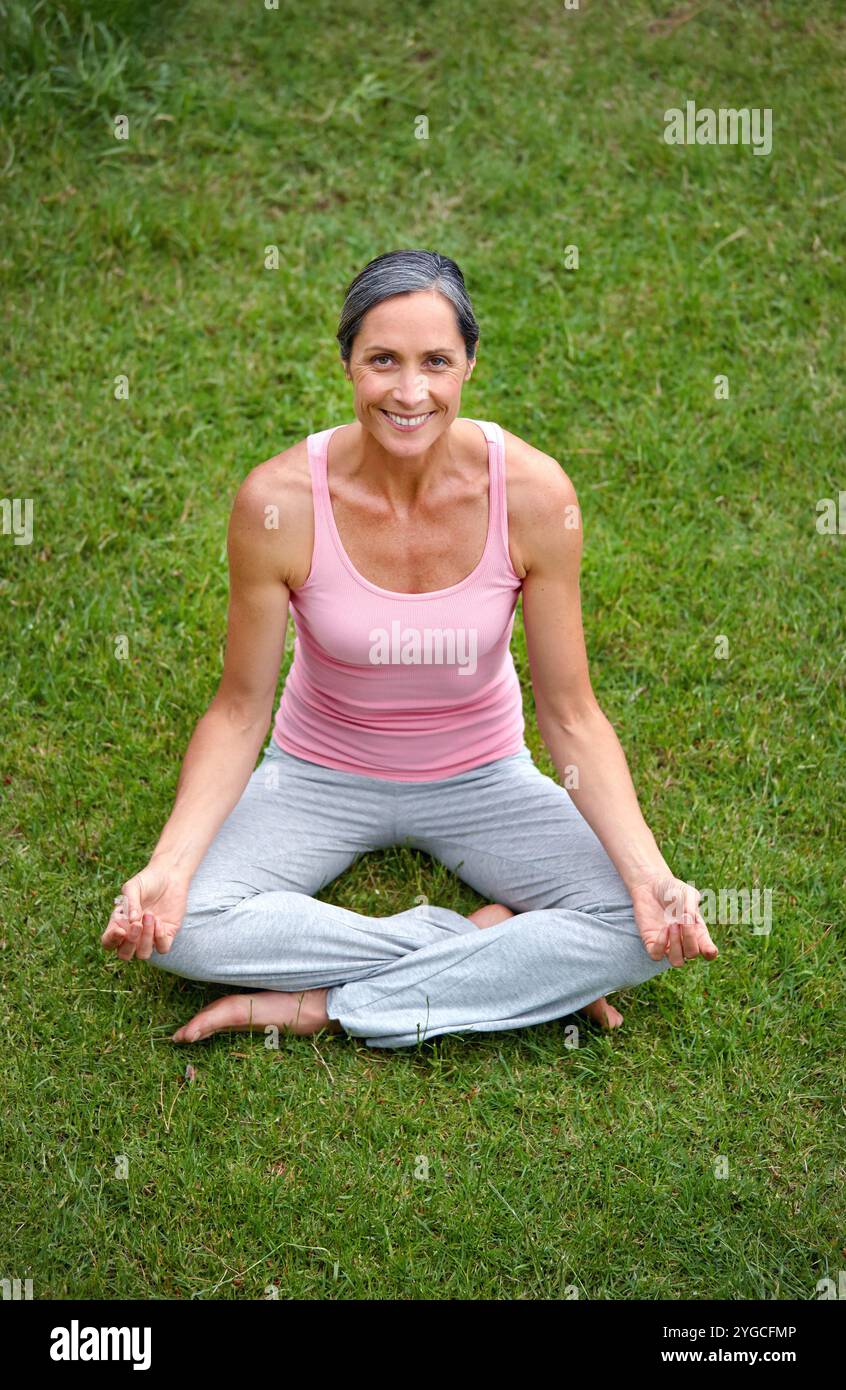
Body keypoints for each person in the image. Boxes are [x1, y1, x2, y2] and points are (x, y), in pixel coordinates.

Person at [101, 249, 718, 1050]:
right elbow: (239, 708)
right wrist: (168, 867)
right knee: (181, 929)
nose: (410, 391)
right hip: (318, 775)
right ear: (348, 365)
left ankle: (322, 1006)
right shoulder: (277, 503)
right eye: (382, 361)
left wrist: (650, 875)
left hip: (483, 776)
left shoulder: (534, 495)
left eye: (435, 362)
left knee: (643, 927)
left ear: (469, 365)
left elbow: (570, 714)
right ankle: (488, 959)